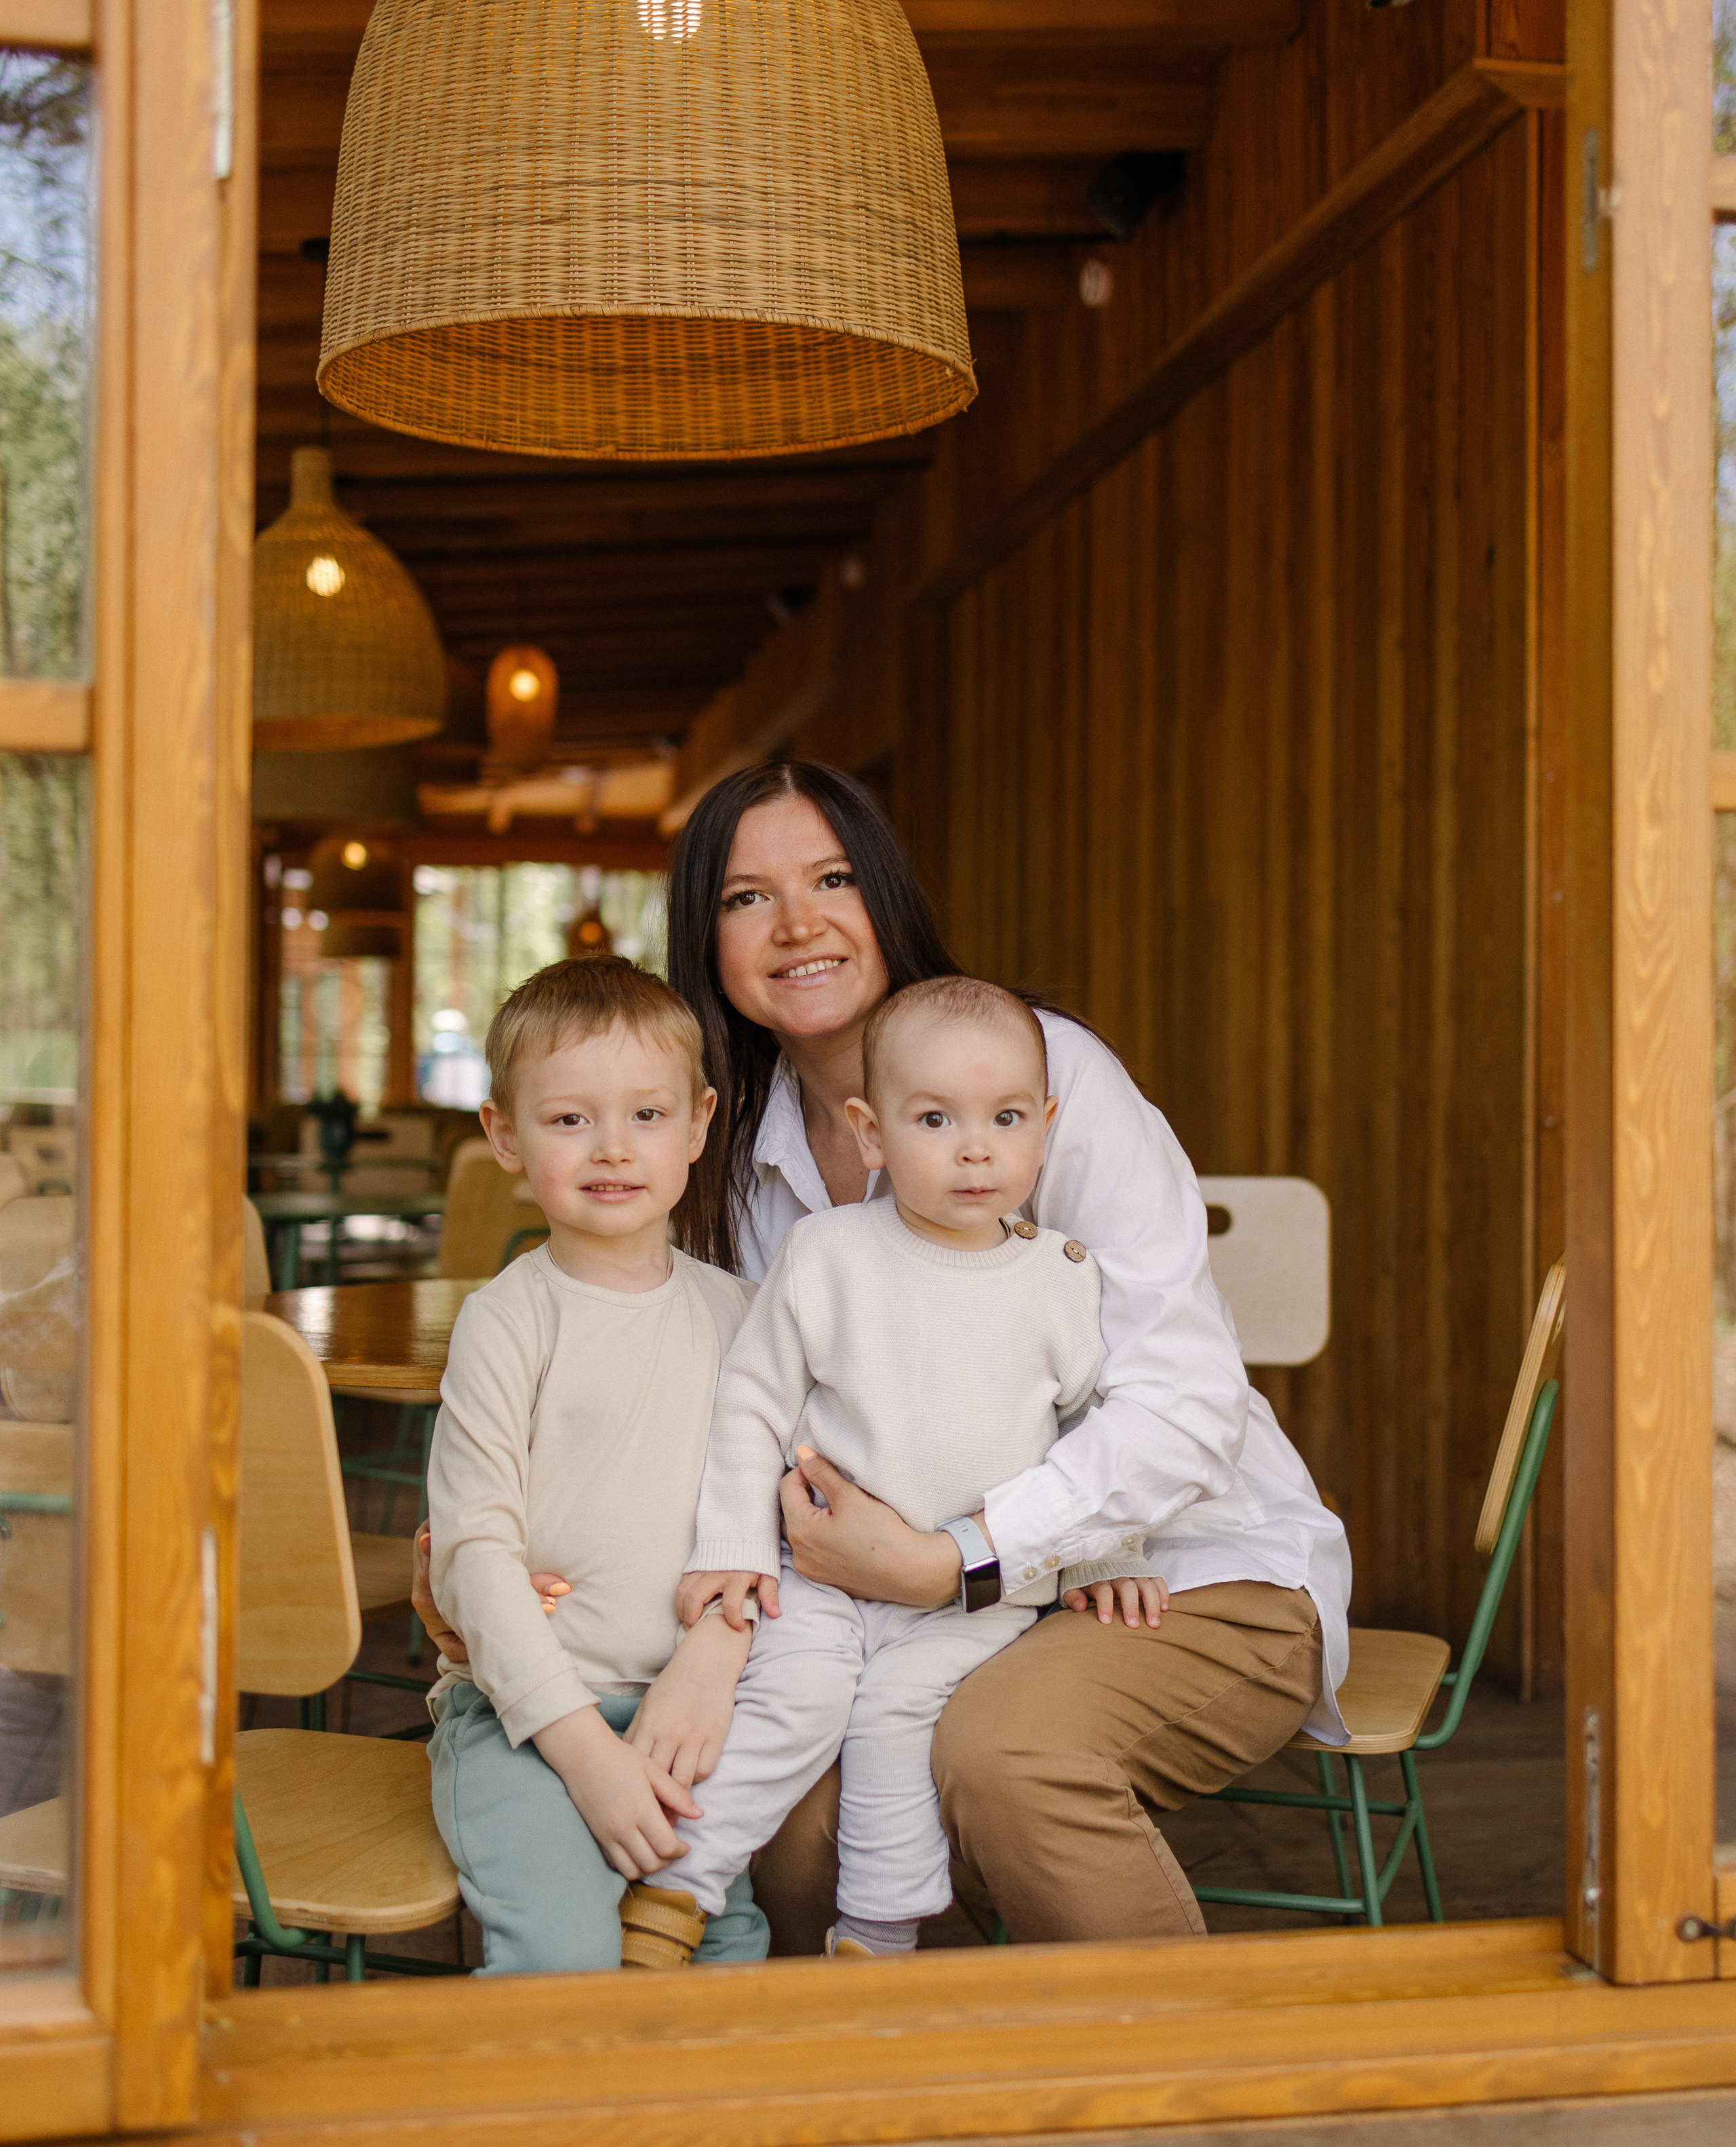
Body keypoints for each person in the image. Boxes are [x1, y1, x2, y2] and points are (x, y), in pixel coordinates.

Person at [418, 760, 1351, 1951]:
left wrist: (965, 1557)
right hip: (873, 1601)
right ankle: (890, 2071)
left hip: (1177, 1561)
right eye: (748, 897)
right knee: (785, 1810)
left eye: (834, 878)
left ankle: (1162, 2094)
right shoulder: (721, 1148)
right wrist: (483, 1554)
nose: (799, 922)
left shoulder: (1035, 1075)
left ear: (887, 896)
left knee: (1001, 1753)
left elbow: (1180, 1406)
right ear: (707, 942)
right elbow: (729, 1414)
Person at [620, 976, 1118, 1966]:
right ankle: (676, 1886)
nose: (976, 1146)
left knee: (899, 1720)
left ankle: (880, 1935)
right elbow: (752, 1401)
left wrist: (1115, 1551)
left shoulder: (1062, 1276)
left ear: (1045, 1127)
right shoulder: (828, 1252)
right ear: (872, 1129)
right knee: (792, 1701)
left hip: (977, 1595)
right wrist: (730, 1541)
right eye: (935, 1118)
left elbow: (1098, 1430)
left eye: (1007, 1118)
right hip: (822, 1573)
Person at [422, 956, 770, 1973]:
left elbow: (772, 1523)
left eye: (648, 1116)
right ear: (504, 1137)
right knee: (564, 1959)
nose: (613, 1148)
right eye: (570, 1119)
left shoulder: (744, 1316)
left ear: (699, 1124)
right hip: (524, 1720)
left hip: (690, 1718)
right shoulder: (505, 1322)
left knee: (728, 1946)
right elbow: (473, 1552)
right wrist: (583, 1751)